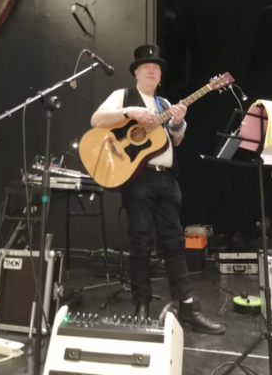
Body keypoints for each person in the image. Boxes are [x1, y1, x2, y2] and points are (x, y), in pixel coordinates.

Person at [91, 44, 225, 335]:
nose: (152, 70)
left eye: (157, 68)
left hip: (168, 180)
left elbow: (175, 141)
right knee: (140, 243)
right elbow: (96, 121)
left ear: (160, 77)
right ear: (136, 72)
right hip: (138, 178)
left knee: (175, 243)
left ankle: (187, 306)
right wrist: (130, 113)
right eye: (147, 67)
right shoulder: (122, 97)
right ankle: (141, 306)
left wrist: (178, 122)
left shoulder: (165, 104)